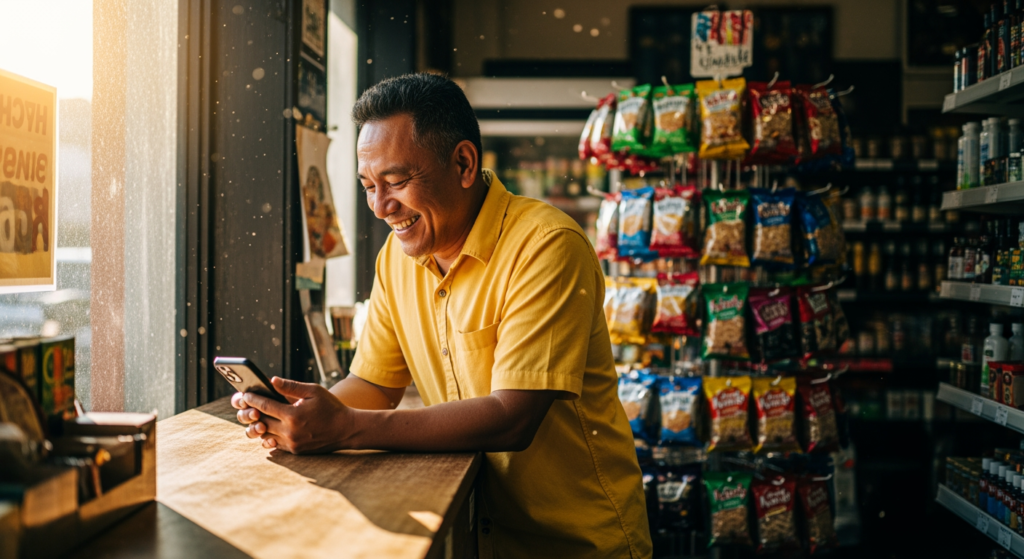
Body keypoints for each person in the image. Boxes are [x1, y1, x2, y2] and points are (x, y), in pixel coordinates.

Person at [233, 73, 652, 558]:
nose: (380, 206)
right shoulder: (396, 257)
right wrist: (301, 415)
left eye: (395, 182)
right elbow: (374, 386)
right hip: (479, 536)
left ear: (464, 163)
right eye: (368, 186)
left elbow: (511, 418)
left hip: (579, 542)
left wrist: (344, 426)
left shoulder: (547, 245)